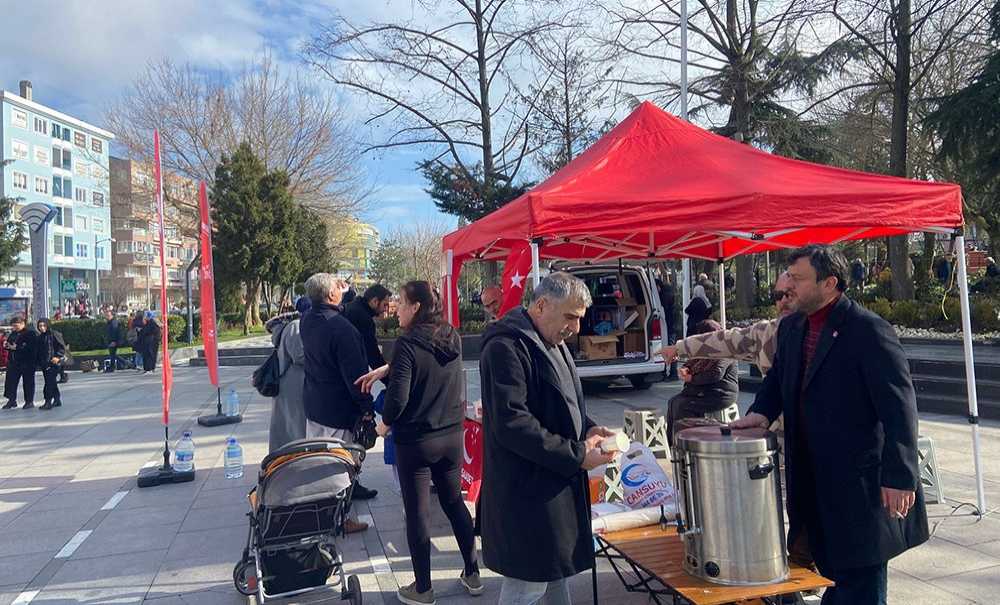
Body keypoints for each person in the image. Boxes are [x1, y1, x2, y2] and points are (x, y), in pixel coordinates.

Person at [732, 245, 928, 605]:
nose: (788, 286)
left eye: (798, 278)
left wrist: (900, 477)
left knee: (860, 582)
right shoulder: (791, 327)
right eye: (789, 276)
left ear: (830, 283)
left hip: (860, 489)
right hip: (811, 482)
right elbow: (778, 379)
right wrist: (761, 411)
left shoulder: (868, 331)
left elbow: (899, 408)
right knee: (831, 576)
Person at [478, 272, 618, 605]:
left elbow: (563, 404)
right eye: (571, 316)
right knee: (528, 584)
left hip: (551, 486)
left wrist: (588, 428)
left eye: (580, 319)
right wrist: (576, 454)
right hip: (526, 492)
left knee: (552, 573)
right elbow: (513, 424)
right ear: (541, 305)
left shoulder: (551, 341)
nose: (576, 328)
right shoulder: (505, 346)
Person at [355, 281, 481, 604]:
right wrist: (388, 367)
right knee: (454, 503)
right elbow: (428, 365)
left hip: (417, 441)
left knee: (418, 514)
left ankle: (423, 588)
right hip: (452, 436)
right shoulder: (450, 335)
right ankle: (473, 572)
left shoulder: (407, 343)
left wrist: (383, 426)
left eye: (401, 301)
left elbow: (398, 398)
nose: (395, 307)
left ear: (416, 308)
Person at [299, 273, 378, 514]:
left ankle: (349, 491)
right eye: (337, 286)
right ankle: (338, 515)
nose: (341, 288)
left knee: (323, 459)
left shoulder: (307, 318)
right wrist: (366, 407)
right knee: (338, 462)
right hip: (338, 408)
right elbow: (356, 377)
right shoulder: (341, 328)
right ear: (331, 294)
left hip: (315, 403)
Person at [661, 272, 795, 376]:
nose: (783, 300)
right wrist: (679, 347)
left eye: (790, 294)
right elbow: (724, 341)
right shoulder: (765, 333)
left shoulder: (814, 338)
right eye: (778, 295)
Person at [665, 319, 738, 444]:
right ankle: (673, 442)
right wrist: (685, 369)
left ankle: (691, 442)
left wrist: (692, 378)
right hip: (703, 391)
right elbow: (691, 362)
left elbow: (716, 374)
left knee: (683, 406)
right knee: (673, 402)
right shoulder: (704, 350)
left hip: (720, 394)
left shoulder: (725, 351)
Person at [265, 297, 311, 453]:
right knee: (294, 425)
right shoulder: (296, 326)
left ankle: (287, 455)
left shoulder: (293, 325)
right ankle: (291, 457)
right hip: (293, 385)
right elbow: (300, 356)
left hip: (291, 383)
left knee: (288, 424)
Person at [342, 284, 392, 371]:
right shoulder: (364, 318)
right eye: (385, 305)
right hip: (351, 370)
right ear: (375, 301)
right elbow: (372, 354)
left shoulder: (351, 307)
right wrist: (390, 380)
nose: (385, 309)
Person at [2, 316, 37, 410]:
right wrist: (7, 346)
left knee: (28, 382)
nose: (14, 328)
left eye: (16, 326)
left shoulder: (30, 333)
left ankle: (29, 401)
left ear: (22, 324)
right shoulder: (13, 334)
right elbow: (10, 345)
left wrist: (17, 348)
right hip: (14, 362)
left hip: (27, 362)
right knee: (11, 382)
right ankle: (11, 400)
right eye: (13, 326)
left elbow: (31, 348)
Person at [35, 319, 66, 410]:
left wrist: (57, 357)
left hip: (54, 363)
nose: (42, 328)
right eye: (40, 326)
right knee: (51, 382)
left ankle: (48, 401)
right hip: (44, 363)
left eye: (44, 325)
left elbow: (62, 347)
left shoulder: (54, 334)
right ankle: (57, 399)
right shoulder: (40, 337)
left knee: (49, 383)